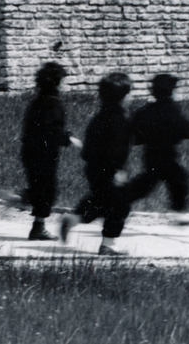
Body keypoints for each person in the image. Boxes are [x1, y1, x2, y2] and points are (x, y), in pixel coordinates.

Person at [60, 71, 135, 256]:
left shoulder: (99, 117)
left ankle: (73, 218)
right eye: (129, 93)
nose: (131, 97)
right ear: (122, 98)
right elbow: (117, 149)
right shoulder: (120, 120)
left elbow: (89, 147)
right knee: (119, 206)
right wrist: (118, 170)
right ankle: (107, 244)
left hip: (93, 168)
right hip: (112, 171)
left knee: (100, 201)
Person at [11, 61, 79, 240]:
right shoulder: (54, 103)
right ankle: (34, 221)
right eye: (63, 81)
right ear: (56, 83)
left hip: (29, 150)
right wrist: (69, 139)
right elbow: (53, 129)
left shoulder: (37, 101)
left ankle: (27, 210)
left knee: (39, 187)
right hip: (45, 153)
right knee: (48, 191)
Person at [125, 72, 189, 223]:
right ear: (171, 91)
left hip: (151, 154)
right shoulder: (171, 109)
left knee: (146, 184)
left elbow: (134, 130)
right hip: (167, 155)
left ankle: (117, 201)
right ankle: (177, 211)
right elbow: (186, 129)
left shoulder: (147, 110)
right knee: (179, 181)